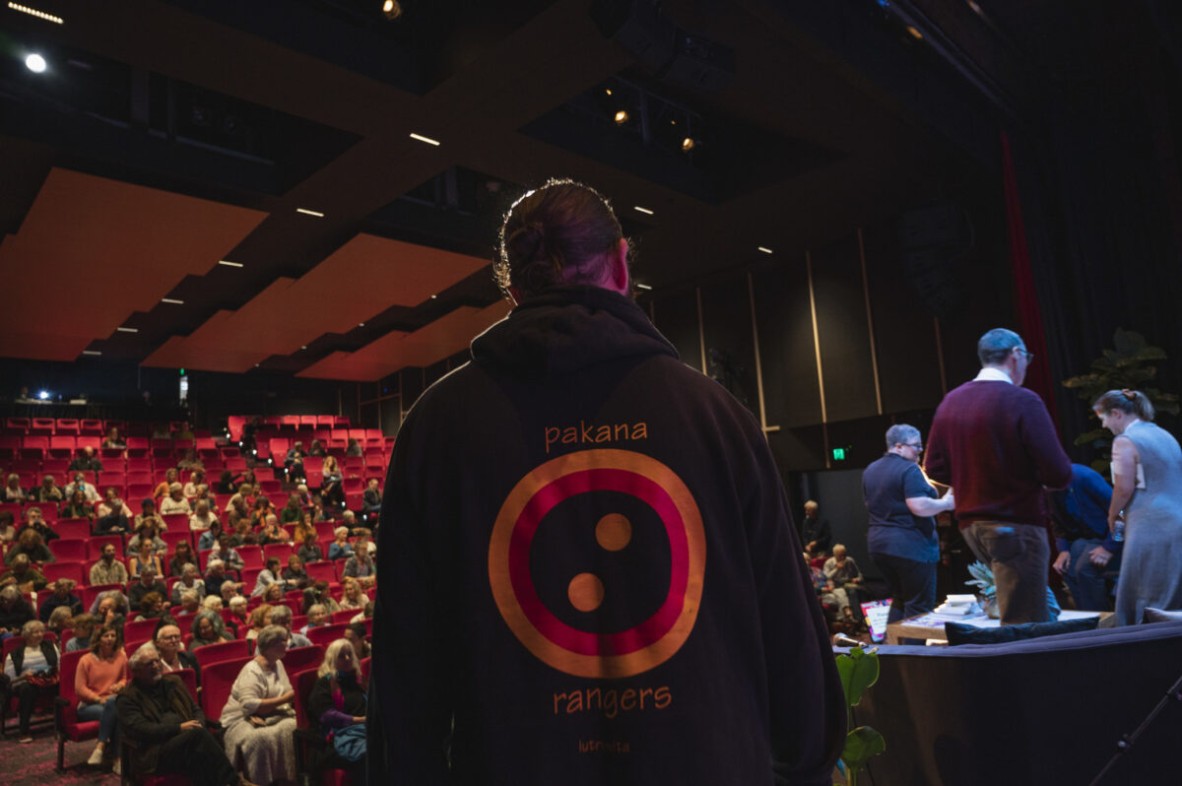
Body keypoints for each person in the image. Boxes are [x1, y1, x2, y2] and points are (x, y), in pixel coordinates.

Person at [368, 179, 844, 784]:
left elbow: (406, 668)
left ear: (513, 289)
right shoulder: (715, 415)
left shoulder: (435, 428)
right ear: (621, 263)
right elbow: (791, 634)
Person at [925, 328, 1072, 624]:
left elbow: (934, 468)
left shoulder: (950, 402)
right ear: (1016, 355)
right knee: (1026, 622)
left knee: (1019, 611)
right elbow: (1059, 473)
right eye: (1027, 358)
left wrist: (973, 478)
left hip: (971, 527)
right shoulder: (1021, 400)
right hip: (1014, 522)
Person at [1093, 389, 1182, 624]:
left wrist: (1113, 515)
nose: (1104, 425)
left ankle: (1142, 640)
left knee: (1145, 582)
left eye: (1103, 418)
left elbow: (1124, 486)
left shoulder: (1125, 440)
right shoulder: (1164, 434)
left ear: (1116, 414)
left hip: (1150, 521)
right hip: (1176, 517)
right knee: (1169, 584)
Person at [116, 643, 253, 786]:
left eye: (157, 661)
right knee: (198, 738)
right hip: (155, 750)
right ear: (136, 671)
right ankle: (235, 782)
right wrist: (179, 728)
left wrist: (199, 723)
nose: (156, 666)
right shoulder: (127, 697)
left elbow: (195, 709)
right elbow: (141, 729)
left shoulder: (174, 682)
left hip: (186, 740)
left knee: (205, 739)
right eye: (149, 664)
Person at [863, 423, 955, 623]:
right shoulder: (909, 469)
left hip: (879, 546)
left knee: (900, 600)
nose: (920, 451)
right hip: (911, 547)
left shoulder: (871, 470)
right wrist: (946, 503)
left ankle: (893, 652)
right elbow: (919, 506)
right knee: (918, 605)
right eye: (916, 446)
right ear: (898, 446)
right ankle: (913, 654)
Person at [219, 625, 298, 785]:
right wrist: (283, 700)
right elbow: (249, 705)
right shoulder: (252, 671)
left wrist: (276, 704)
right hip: (240, 718)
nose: (288, 643)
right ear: (270, 645)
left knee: (292, 726)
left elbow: (288, 691)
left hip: (270, 714)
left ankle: (284, 779)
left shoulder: (278, 663)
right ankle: (258, 781)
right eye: (283, 641)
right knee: (259, 739)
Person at [1050, 463, 1120, 611]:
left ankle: (1102, 620)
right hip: (1086, 539)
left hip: (1113, 536)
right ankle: (1087, 619)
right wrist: (1063, 550)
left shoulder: (1085, 477)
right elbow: (1057, 523)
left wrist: (1109, 547)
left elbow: (1122, 513)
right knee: (1067, 569)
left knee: (1085, 569)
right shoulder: (1049, 488)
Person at [307, 639, 367, 777]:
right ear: (332, 660)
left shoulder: (359, 680)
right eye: (341, 656)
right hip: (341, 735)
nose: (347, 659)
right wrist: (360, 720)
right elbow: (327, 715)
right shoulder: (325, 682)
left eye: (349, 654)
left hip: (365, 728)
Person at [76, 624, 128, 772]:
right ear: (98, 639)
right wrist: (99, 699)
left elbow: (124, 679)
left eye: (113, 635)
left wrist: (120, 685)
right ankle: (117, 758)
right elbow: (80, 689)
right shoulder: (86, 660)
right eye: (106, 636)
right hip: (89, 705)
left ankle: (100, 748)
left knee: (114, 705)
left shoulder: (121, 656)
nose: (110, 639)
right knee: (115, 708)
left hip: (112, 702)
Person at [2, 619, 60, 742]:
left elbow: (60, 666)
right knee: (27, 689)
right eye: (35, 632)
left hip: (48, 680)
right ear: (27, 635)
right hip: (25, 684)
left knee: (65, 683)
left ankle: (63, 726)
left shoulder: (50, 646)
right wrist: (24, 675)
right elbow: (10, 680)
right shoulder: (15, 653)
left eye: (41, 631)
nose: (40, 635)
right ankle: (24, 731)